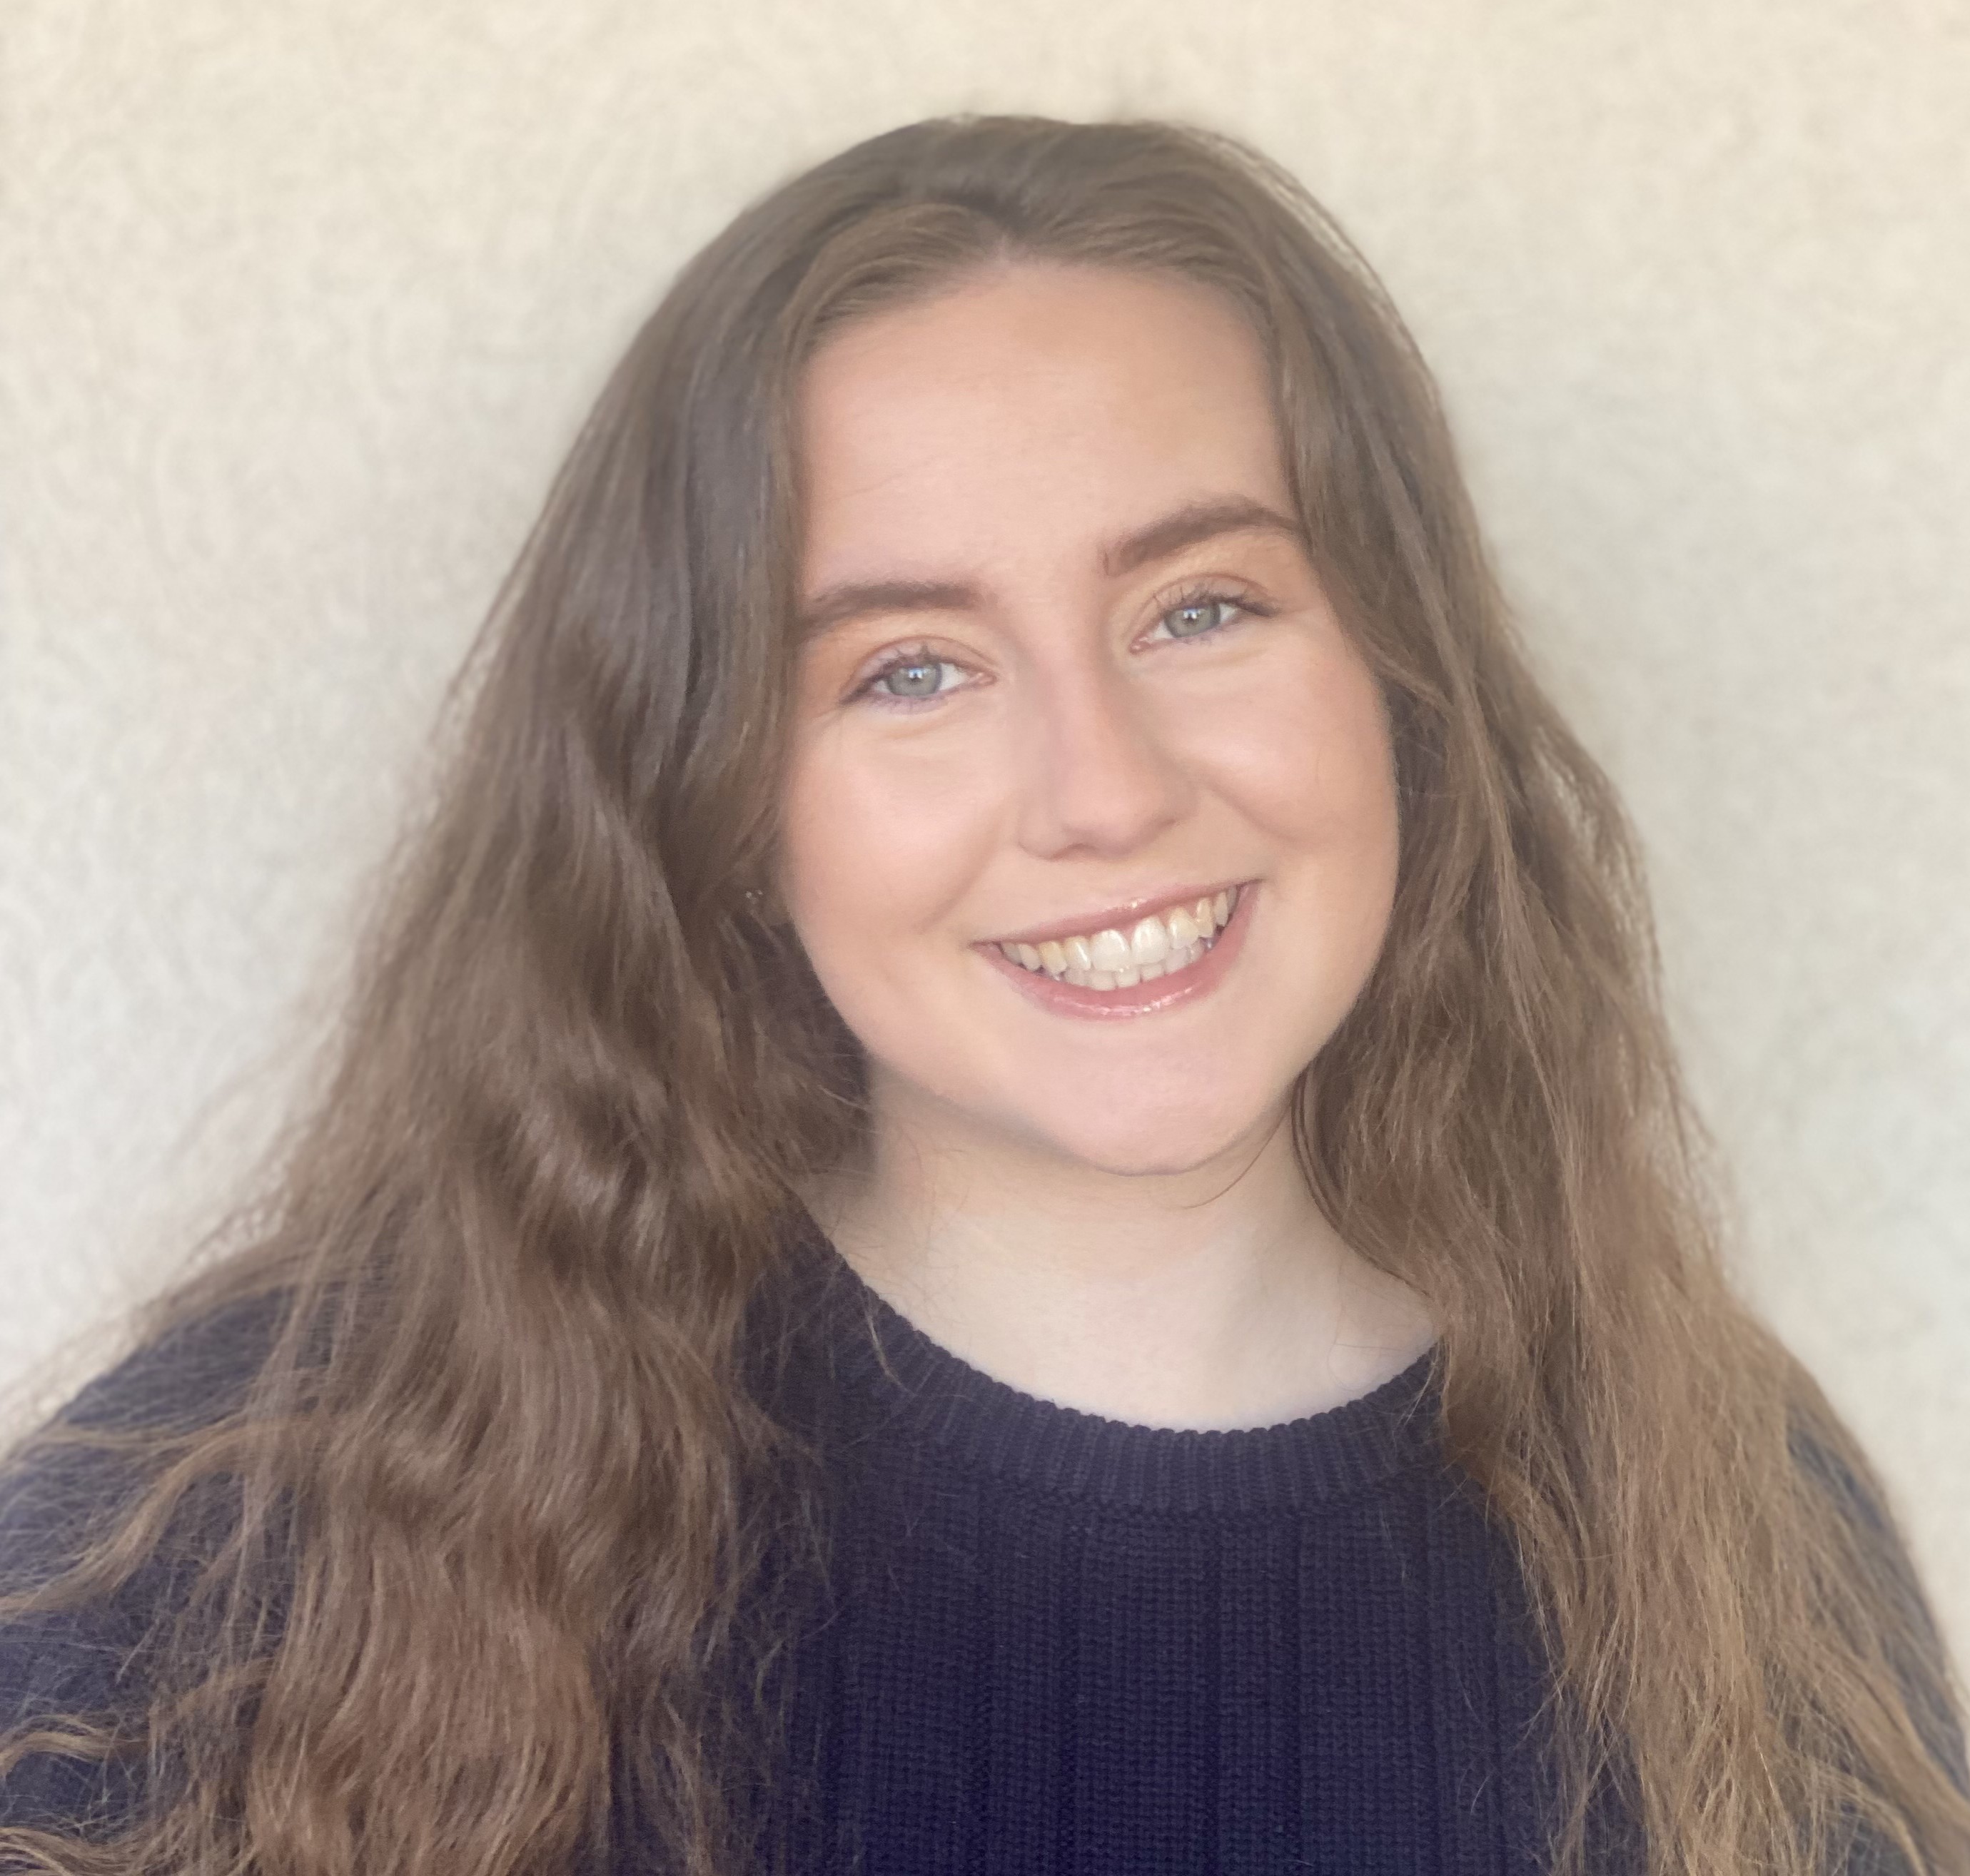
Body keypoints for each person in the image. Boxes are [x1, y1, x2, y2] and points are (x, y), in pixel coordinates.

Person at [1, 114, 1964, 1876]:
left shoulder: (1730, 1528)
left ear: (1403, 683)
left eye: (1202, 609)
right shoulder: (260, 1525)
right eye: (909, 670)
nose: (1103, 793)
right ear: (720, 803)